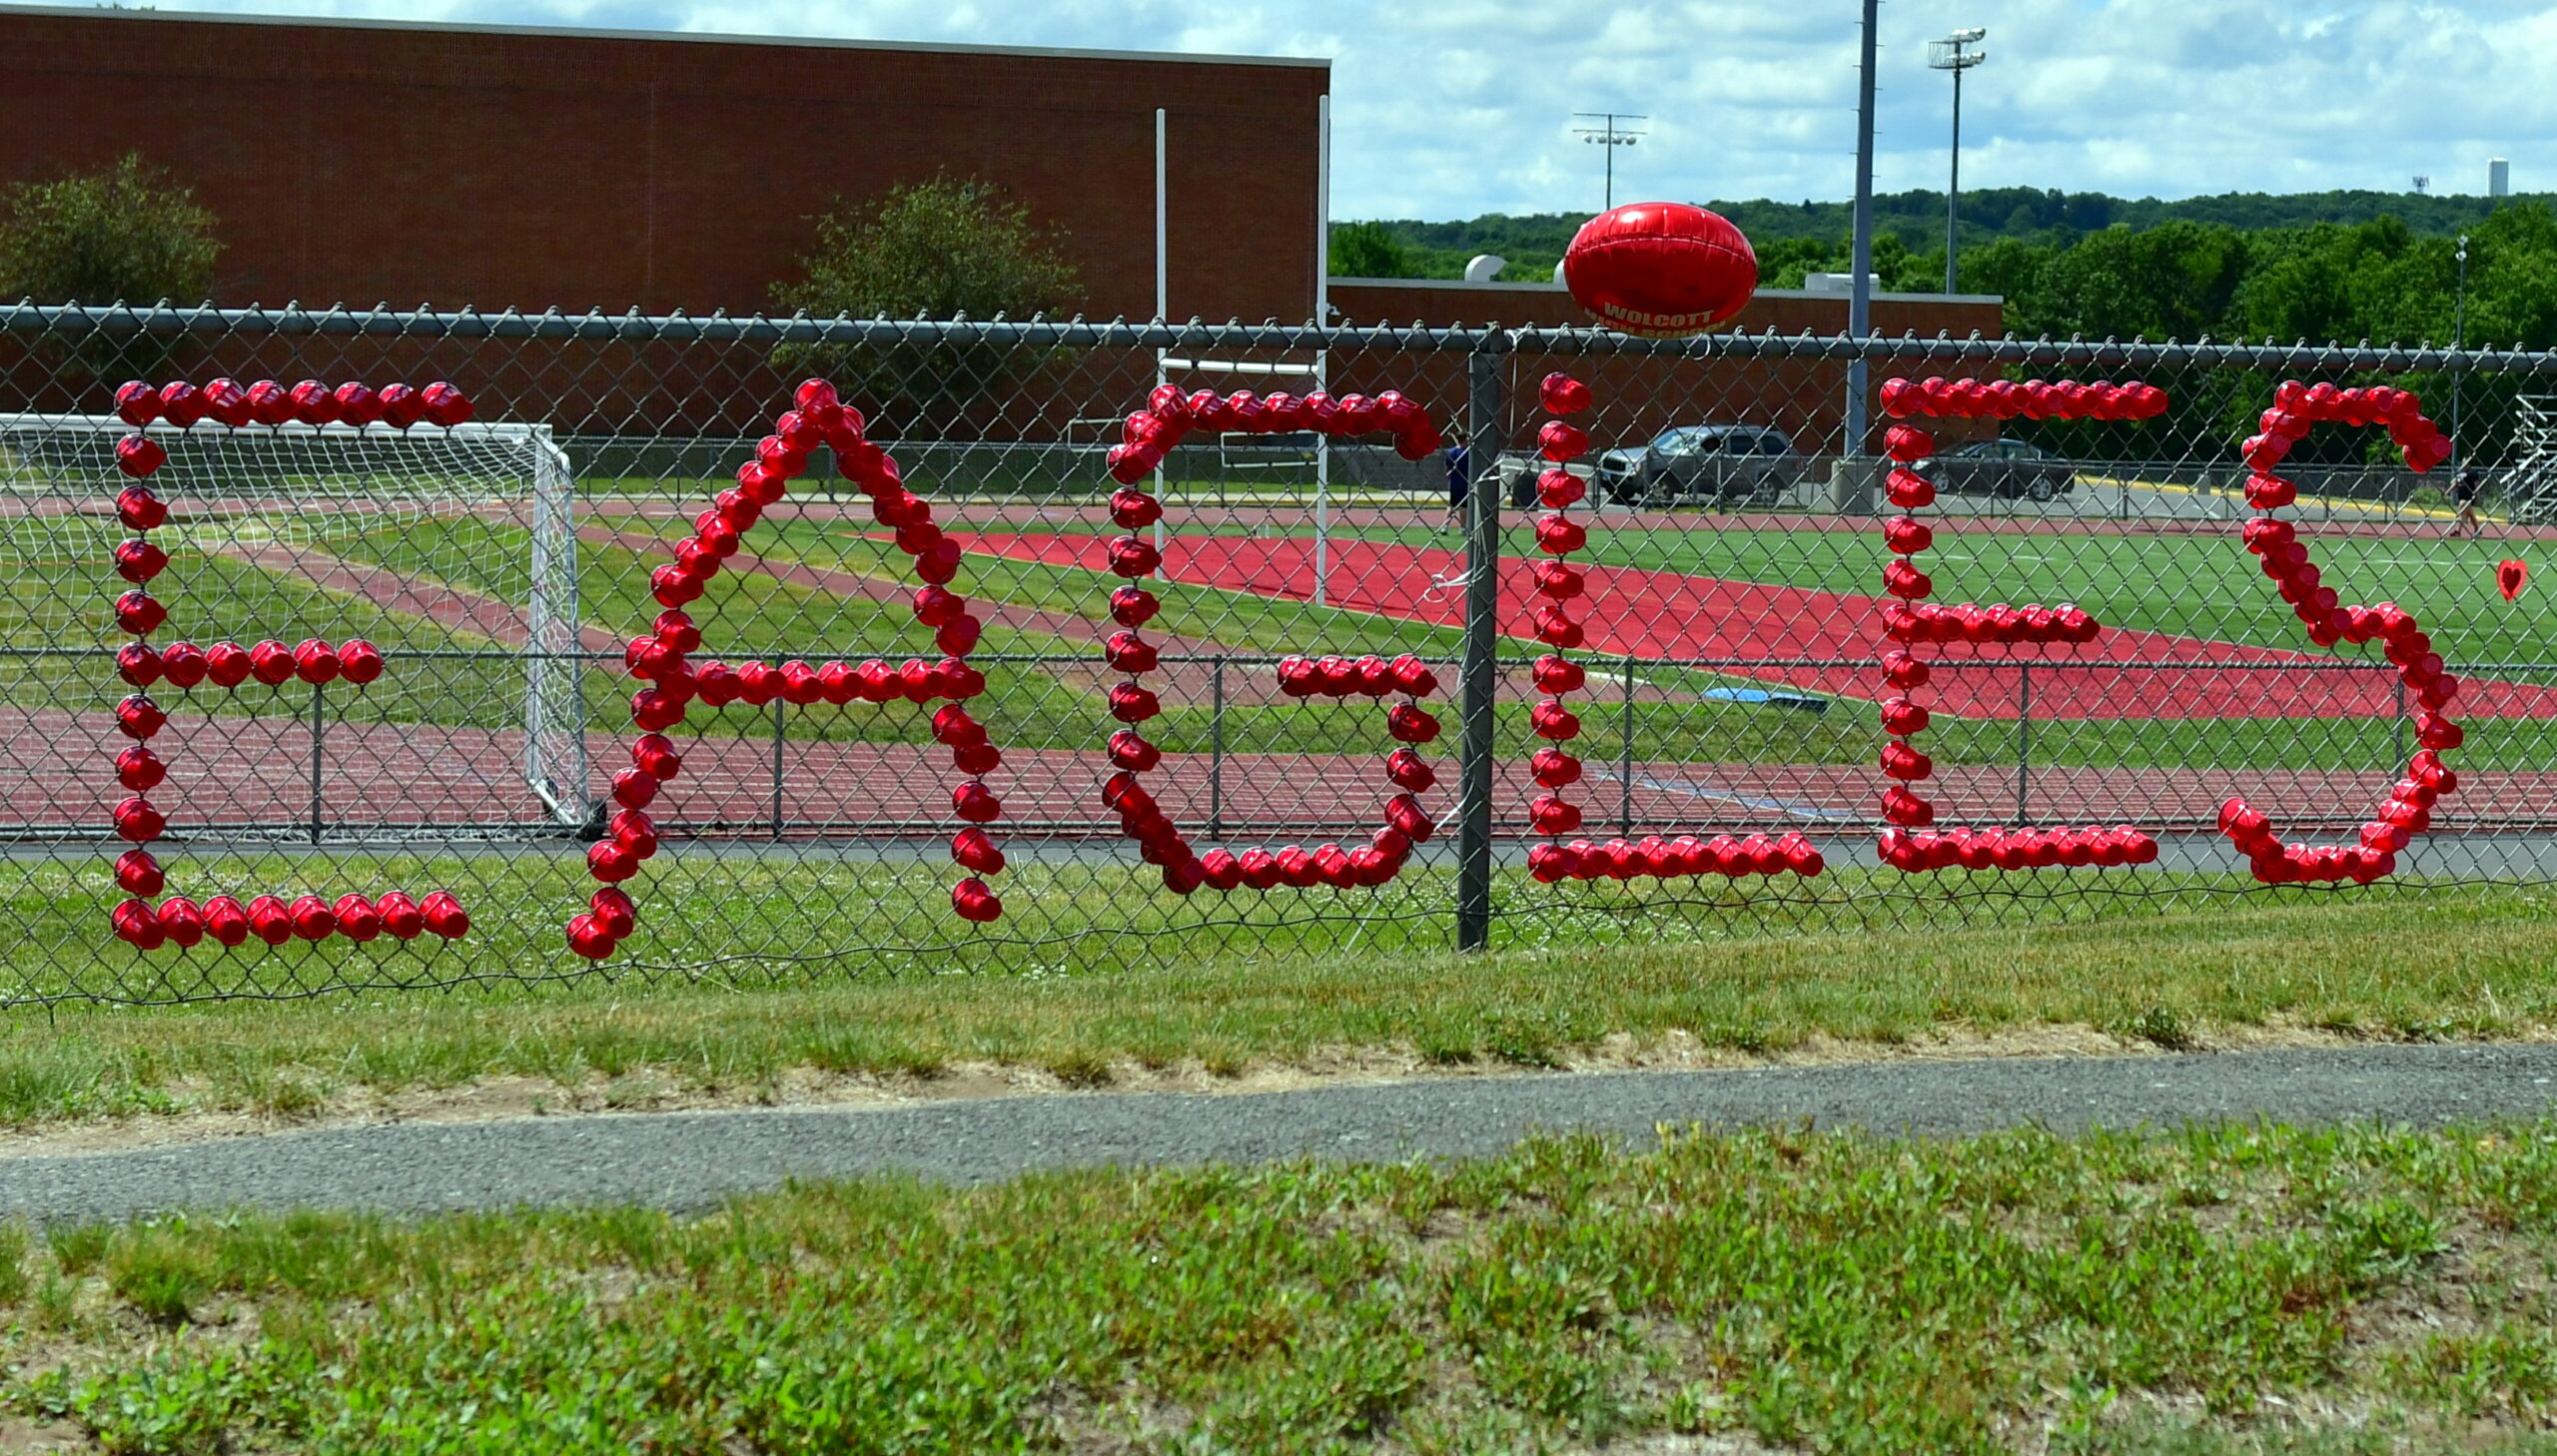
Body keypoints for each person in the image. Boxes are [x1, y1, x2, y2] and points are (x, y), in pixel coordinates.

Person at [1444, 440, 1470, 531]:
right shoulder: (1468, 452)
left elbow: (1447, 468)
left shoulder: (1451, 452)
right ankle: (1463, 527)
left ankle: (1445, 526)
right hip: (1465, 482)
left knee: (1452, 505)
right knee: (1464, 506)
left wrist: (1449, 479)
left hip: (1454, 482)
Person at [2451, 465, 2483, 538]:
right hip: (2462, 496)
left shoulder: (2473, 473)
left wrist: (2478, 495)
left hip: (2470, 496)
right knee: (2469, 514)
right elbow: (2455, 484)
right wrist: (2447, 492)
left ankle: (2458, 531)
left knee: (2462, 511)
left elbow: (2477, 485)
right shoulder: (2460, 474)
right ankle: (2477, 529)